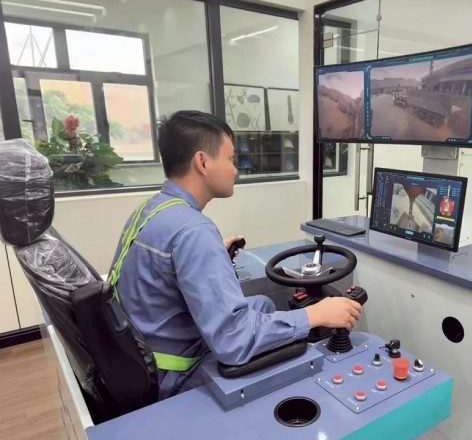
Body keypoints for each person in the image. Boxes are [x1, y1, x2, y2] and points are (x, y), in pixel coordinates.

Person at [109, 110, 362, 399]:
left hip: (144, 353)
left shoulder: (151, 209)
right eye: (230, 159)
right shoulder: (194, 232)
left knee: (263, 303)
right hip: (174, 376)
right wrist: (314, 315)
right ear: (203, 162)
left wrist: (213, 255)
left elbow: (161, 273)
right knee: (298, 346)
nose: (236, 170)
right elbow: (233, 341)